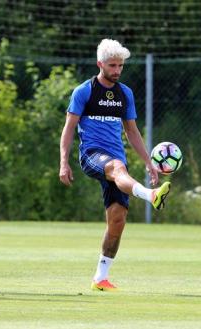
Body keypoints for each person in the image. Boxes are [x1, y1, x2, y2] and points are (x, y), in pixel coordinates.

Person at [59, 39, 171, 292]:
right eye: (112, 65)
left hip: (116, 158)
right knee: (118, 167)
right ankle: (151, 195)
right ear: (100, 64)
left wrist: (149, 163)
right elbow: (68, 130)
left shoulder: (125, 93)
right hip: (91, 155)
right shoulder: (84, 91)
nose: (117, 70)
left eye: (121, 65)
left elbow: (132, 132)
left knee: (118, 220)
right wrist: (63, 162)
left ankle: (100, 277)